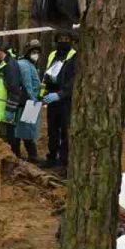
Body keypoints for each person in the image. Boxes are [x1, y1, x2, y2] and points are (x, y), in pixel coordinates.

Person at [41, 30, 77, 169]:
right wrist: (43, 94)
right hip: (51, 98)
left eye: (66, 38)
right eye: (60, 38)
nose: (63, 41)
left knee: (65, 131)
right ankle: (51, 157)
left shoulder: (74, 56)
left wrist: (61, 94)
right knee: (52, 130)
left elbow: (74, 80)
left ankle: (64, 161)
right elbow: (46, 75)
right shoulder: (52, 55)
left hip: (66, 100)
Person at [13, 39, 43, 162]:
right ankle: (28, 156)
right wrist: (33, 100)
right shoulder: (24, 64)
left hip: (29, 102)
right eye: (33, 52)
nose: (36, 54)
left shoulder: (30, 65)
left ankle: (28, 155)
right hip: (27, 102)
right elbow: (28, 85)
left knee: (26, 131)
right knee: (24, 131)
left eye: (37, 52)